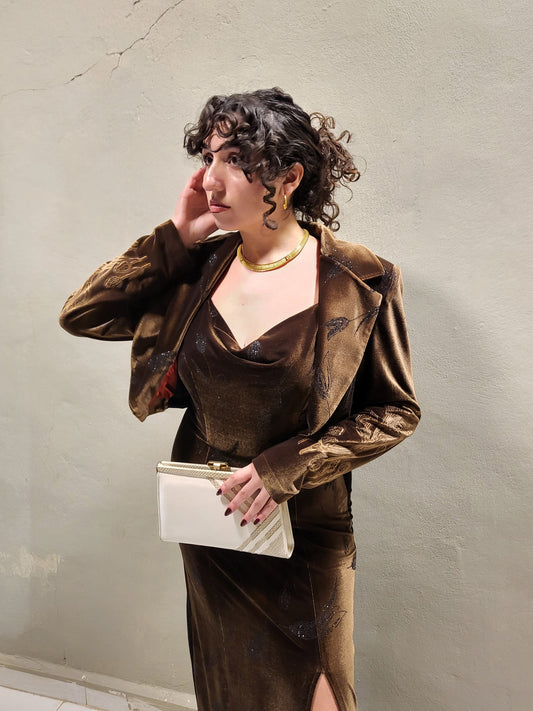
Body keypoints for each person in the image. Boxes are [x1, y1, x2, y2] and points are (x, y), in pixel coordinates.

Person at [59, 87, 420, 711]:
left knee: (321, 694)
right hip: (214, 520)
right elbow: (83, 314)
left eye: (235, 159)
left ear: (289, 176)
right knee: (227, 692)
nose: (210, 177)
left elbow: (395, 411)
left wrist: (285, 469)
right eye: (208, 156)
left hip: (305, 530)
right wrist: (176, 236)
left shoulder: (360, 278)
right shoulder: (197, 269)